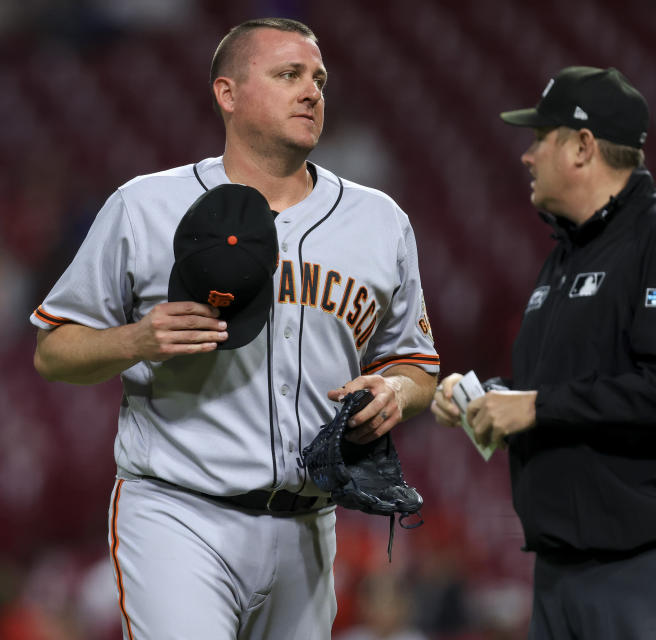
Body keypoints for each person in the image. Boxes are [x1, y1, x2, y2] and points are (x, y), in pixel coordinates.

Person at [30, 17, 439, 640]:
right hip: (180, 511)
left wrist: (396, 394)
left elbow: (416, 365)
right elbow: (53, 351)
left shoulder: (379, 221)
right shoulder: (146, 206)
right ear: (227, 93)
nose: (312, 92)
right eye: (288, 75)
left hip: (310, 524)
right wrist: (135, 339)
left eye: (319, 80)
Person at [431, 66, 656, 639]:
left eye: (539, 139)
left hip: (653, 569)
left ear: (581, 146)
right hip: (563, 573)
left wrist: (536, 408)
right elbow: (565, 392)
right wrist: (491, 400)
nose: (526, 156)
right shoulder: (565, 257)